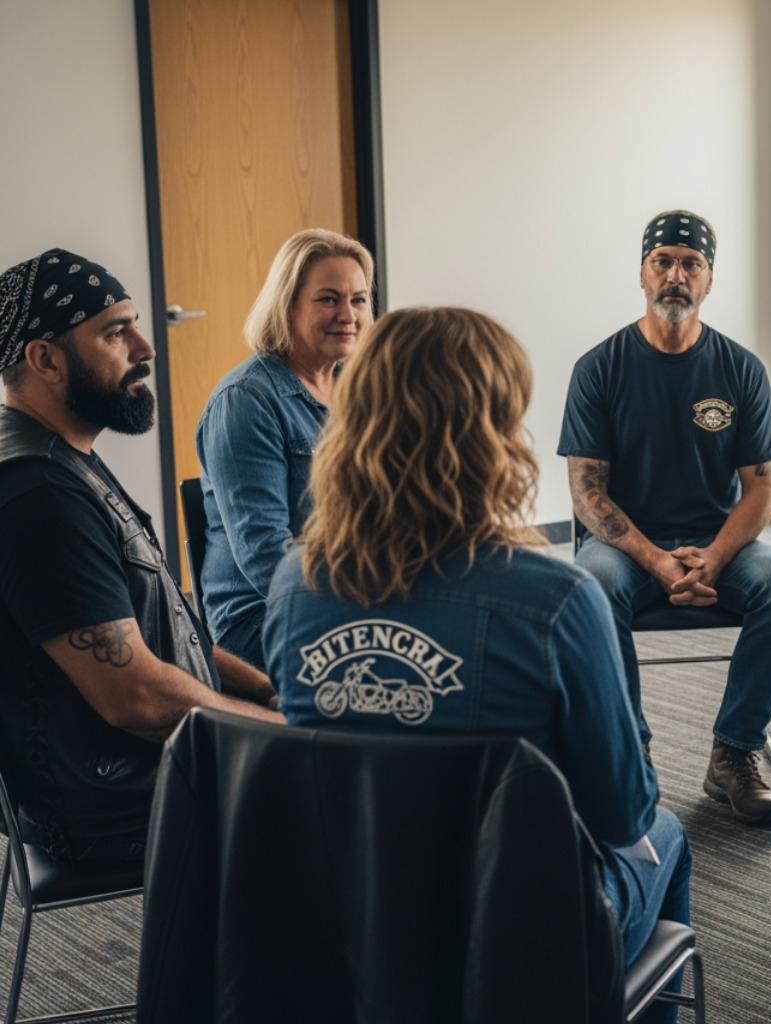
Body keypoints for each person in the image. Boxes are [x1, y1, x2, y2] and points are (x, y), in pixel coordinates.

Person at [263, 306, 690, 1017]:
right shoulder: (557, 599)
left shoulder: (293, 584)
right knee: (667, 833)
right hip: (517, 930)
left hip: (348, 920)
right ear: (492, 436)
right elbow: (621, 814)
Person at [0, 249, 284, 863]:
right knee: (378, 790)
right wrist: (290, 734)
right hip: (119, 800)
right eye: (115, 332)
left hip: (139, 769)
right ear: (45, 359)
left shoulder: (64, 456)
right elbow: (136, 697)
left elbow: (161, 630)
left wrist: (266, 690)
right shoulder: (40, 493)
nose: (146, 348)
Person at [558, 210, 771, 825]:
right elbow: (587, 494)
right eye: (662, 261)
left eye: (691, 263)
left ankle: (735, 751)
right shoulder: (599, 368)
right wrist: (657, 561)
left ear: (709, 279)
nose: (676, 275)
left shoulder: (741, 368)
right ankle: (630, 751)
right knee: (590, 587)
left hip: (716, 540)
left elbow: (762, 487)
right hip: (626, 547)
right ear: (642, 273)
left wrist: (715, 556)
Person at [195, 229, 375, 672]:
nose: (348, 315)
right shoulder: (245, 399)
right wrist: (366, 618)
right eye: (328, 299)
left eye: (358, 299)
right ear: (287, 304)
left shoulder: (358, 388)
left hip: (353, 595)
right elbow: (265, 556)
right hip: (260, 616)